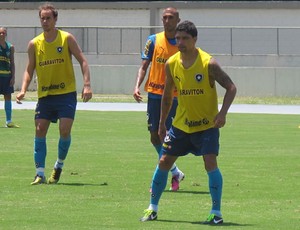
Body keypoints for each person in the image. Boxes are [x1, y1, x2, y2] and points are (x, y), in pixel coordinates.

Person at [140, 20, 237, 225]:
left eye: (185, 38)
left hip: (206, 126)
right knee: (164, 162)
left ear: (195, 39)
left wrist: (222, 114)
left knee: (210, 163)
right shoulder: (171, 63)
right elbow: (167, 97)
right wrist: (162, 123)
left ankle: (216, 213)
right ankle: (152, 209)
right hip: (181, 125)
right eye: (178, 38)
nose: (180, 42)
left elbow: (231, 88)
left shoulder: (208, 63)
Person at [16, 3, 92, 185]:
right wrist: (23, 89)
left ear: (55, 19)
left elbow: (83, 61)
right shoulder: (34, 44)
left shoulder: (66, 38)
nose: (45, 21)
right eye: (42, 18)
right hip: (45, 96)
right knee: (40, 129)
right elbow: (29, 69)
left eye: (48, 18)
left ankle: (58, 166)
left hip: (66, 94)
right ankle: (39, 173)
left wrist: (87, 84)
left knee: (64, 130)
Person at [133, 7, 184, 191]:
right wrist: (137, 86)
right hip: (154, 94)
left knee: (168, 137)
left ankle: (160, 178)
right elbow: (144, 65)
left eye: (171, 17)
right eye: (164, 17)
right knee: (154, 137)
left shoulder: (182, 42)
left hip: (175, 97)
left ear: (178, 19)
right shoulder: (153, 40)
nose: (167, 20)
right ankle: (175, 172)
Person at [0, 27, 19, 128]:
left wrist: (13, 76)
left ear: (6, 34)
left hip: (7, 76)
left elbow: (12, 62)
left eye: (4, 33)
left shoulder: (10, 47)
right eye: (0, 33)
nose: (2, 34)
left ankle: (8, 121)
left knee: (7, 97)